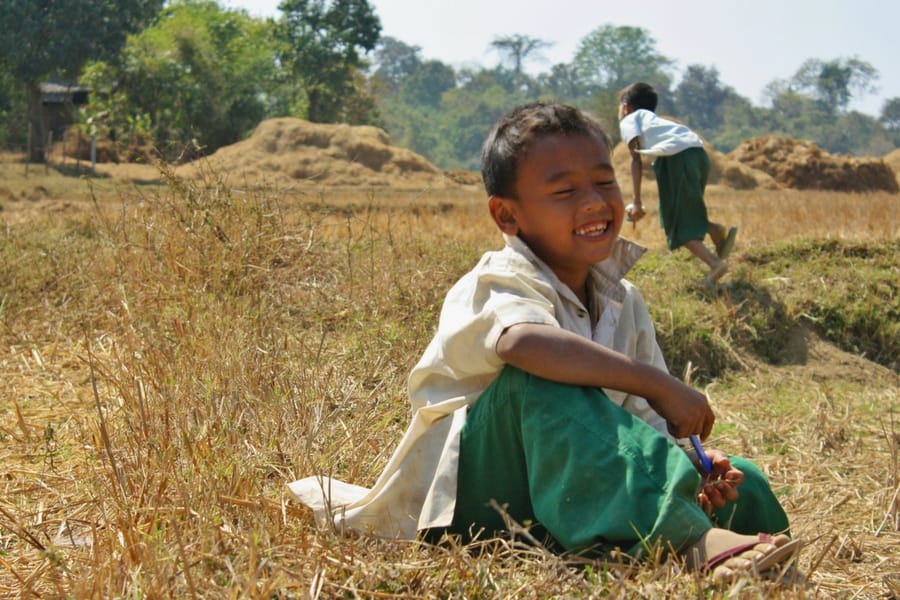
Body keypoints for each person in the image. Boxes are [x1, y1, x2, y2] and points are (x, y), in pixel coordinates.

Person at [289, 102, 801, 582]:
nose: (596, 202)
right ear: (507, 216)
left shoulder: (625, 299)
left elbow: (643, 421)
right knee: (547, 383)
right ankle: (694, 544)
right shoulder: (499, 280)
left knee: (741, 478)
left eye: (605, 182)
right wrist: (659, 383)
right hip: (479, 501)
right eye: (565, 192)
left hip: (568, 497)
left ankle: (752, 555)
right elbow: (525, 346)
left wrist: (692, 464)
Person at [618, 82, 738, 285]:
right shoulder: (655, 122)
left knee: (677, 222)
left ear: (626, 107)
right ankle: (713, 229)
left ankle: (715, 264)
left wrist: (636, 201)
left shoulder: (630, 119)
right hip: (697, 153)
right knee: (687, 211)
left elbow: (635, 159)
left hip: (677, 159)